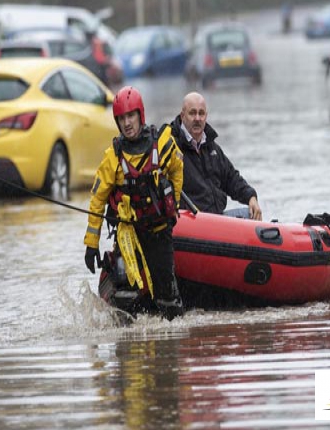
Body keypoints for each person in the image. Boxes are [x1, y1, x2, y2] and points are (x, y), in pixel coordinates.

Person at [84, 86, 184, 320]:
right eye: (121, 119)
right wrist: (91, 244)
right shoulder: (112, 158)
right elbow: (97, 200)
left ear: (141, 115)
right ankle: (127, 345)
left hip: (160, 232)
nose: (127, 123)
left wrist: (174, 204)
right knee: (125, 297)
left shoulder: (163, 145)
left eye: (131, 116)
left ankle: (170, 347)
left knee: (168, 298)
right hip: (129, 236)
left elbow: (178, 169)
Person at [170, 91, 262, 219]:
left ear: (206, 116)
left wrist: (251, 197)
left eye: (201, 113)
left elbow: (231, 178)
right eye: (192, 113)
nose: (197, 118)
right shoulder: (171, 147)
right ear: (182, 115)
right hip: (190, 222)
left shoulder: (212, 148)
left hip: (217, 220)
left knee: (251, 214)